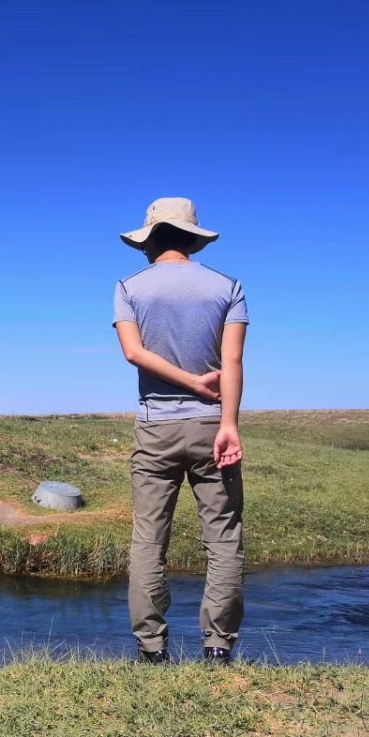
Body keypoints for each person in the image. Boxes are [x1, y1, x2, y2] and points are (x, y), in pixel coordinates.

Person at [112, 197, 248, 665]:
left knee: (149, 539)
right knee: (224, 538)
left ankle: (152, 649)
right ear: (192, 239)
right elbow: (232, 361)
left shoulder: (129, 288)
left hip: (155, 428)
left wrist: (186, 383)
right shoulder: (228, 287)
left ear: (149, 241)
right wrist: (229, 424)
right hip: (213, 426)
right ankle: (218, 646)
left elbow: (133, 352)